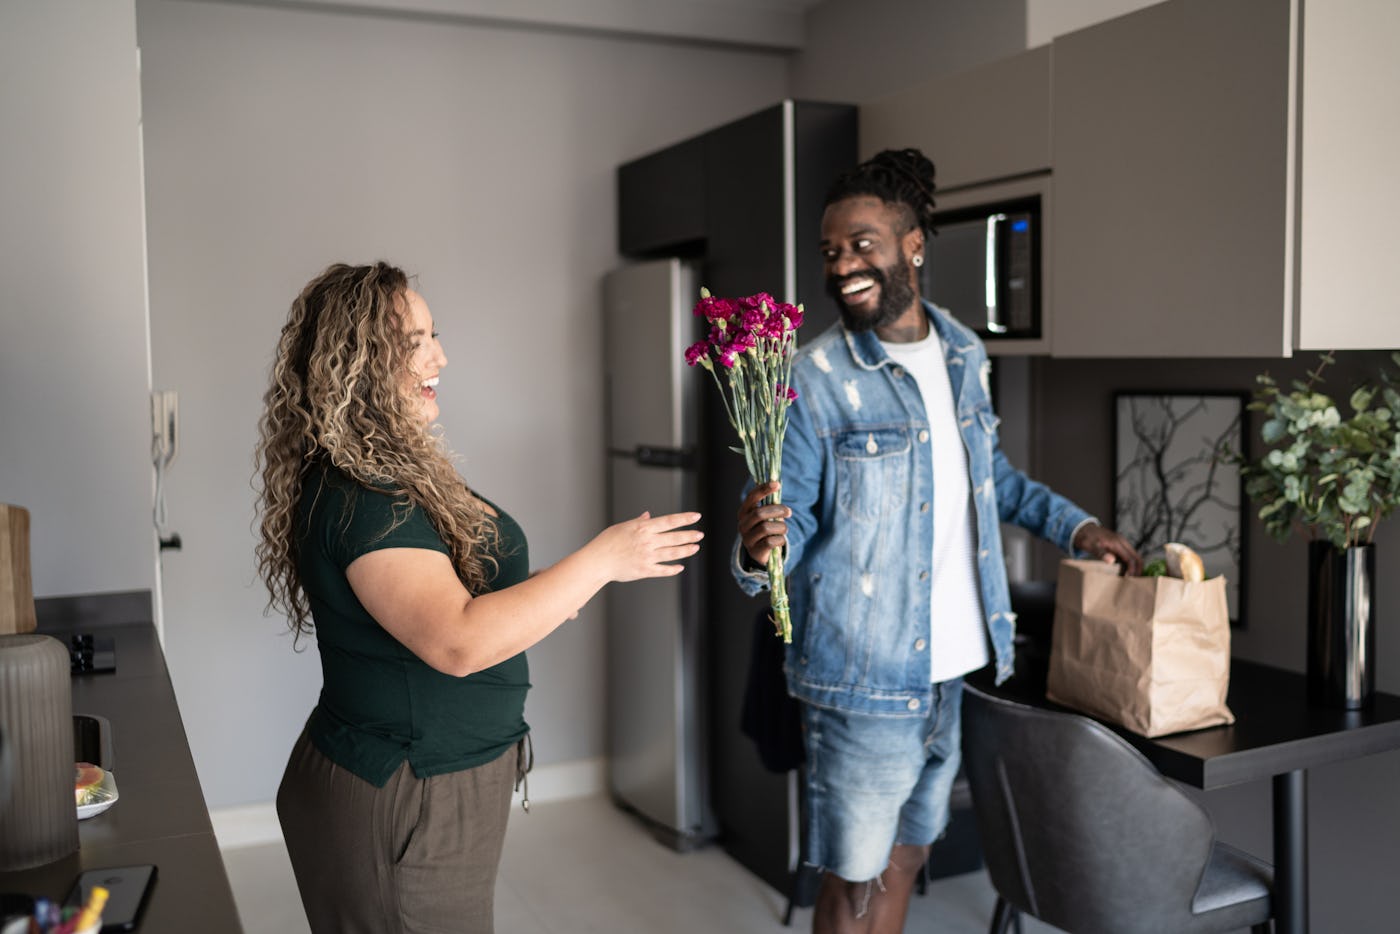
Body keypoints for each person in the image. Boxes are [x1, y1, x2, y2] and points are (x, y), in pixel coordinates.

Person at [731, 150, 1141, 934]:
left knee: (906, 863)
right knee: (851, 885)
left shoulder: (962, 354)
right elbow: (794, 524)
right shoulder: (814, 378)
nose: (842, 265)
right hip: (862, 682)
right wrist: (759, 550)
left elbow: (994, 481)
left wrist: (1079, 527)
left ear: (913, 244)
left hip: (956, 670)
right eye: (830, 251)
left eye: (861, 244)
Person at [254, 262, 703, 934]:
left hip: (429, 778)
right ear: (357, 363)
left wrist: (557, 593)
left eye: (435, 334)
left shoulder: (393, 468)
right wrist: (604, 558)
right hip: (407, 790)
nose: (440, 356)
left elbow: (471, 594)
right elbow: (458, 641)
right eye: (414, 341)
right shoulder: (365, 498)